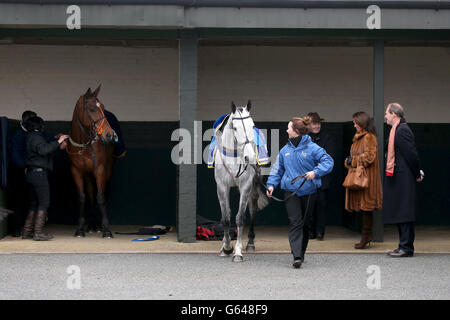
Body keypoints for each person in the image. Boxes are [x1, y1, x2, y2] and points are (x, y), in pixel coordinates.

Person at [266, 116, 334, 269]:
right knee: (295, 222)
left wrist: (315, 172)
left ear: (296, 131)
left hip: (309, 190)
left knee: (304, 223)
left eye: (289, 128)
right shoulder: (285, 150)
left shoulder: (313, 148)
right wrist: (271, 185)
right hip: (291, 192)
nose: (286, 130)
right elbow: (277, 169)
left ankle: (301, 252)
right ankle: (296, 255)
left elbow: (328, 162)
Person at [383, 103, 424, 258]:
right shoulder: (397, 129)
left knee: (404, 211)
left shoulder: (402, 130)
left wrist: (417, 172)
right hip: (398, 176)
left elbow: (411, 155)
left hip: (404, 177)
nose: (385, 116)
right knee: (399, 211)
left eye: (387, 113)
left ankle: (406, 248)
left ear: (394, 114)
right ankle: (402, 246)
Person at [23, 116, 69, 241]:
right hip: (39, 174)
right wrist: (59, 141)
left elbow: (42, 152)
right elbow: (43, 150)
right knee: (44, 203)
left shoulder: (30, 137)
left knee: (34, 203)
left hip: (32, 174)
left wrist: (57, 146)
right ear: (38, 126)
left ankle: (27, 231)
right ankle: (38, 232)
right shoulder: (36, 137)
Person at [344, 112, 382, 249]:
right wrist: (349, 161)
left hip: (367, 179)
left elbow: (369, 157)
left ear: (362, 123)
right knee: (363, 208)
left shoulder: (369, 137)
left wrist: (352, 160)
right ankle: (366, 236)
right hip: (360, 177)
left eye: (355, 123)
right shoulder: (359, 138)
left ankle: (366, 237)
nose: (354, 125)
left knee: (367, 208)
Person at [306, 112, 336, 240]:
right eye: (314, 123)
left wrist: (317, 164)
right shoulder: (304, 138)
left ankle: (320, 232)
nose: (317, 126)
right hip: (308, 179)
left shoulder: (326, 137)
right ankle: (310, 231)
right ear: (308, 125)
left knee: (321, 205)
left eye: (318, 123)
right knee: (309, 206)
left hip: (323, 178)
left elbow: (329, 158)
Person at [7, 110, 37, 237]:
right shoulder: (17, 135)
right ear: (26, 121)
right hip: (18, 173)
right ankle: (16, 229)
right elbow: (14, 154)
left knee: (30, 200)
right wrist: (24, 166)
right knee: (18, 201)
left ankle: (28, 228)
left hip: (29, 171)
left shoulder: (31, 133)